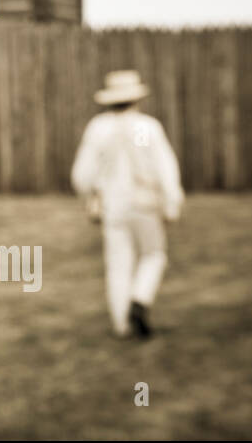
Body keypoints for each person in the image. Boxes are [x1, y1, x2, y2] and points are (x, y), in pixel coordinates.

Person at [71, 70, 184, 339]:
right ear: (136, 98)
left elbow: (82, 174)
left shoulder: (99, 128)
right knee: (153, 255)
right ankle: (140, 298)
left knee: (118, 263)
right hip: (144, 204)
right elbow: (166, 168)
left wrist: (90, 197)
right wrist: (172, 202)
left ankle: (121, 324)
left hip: (113, 206)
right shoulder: (148, 127)